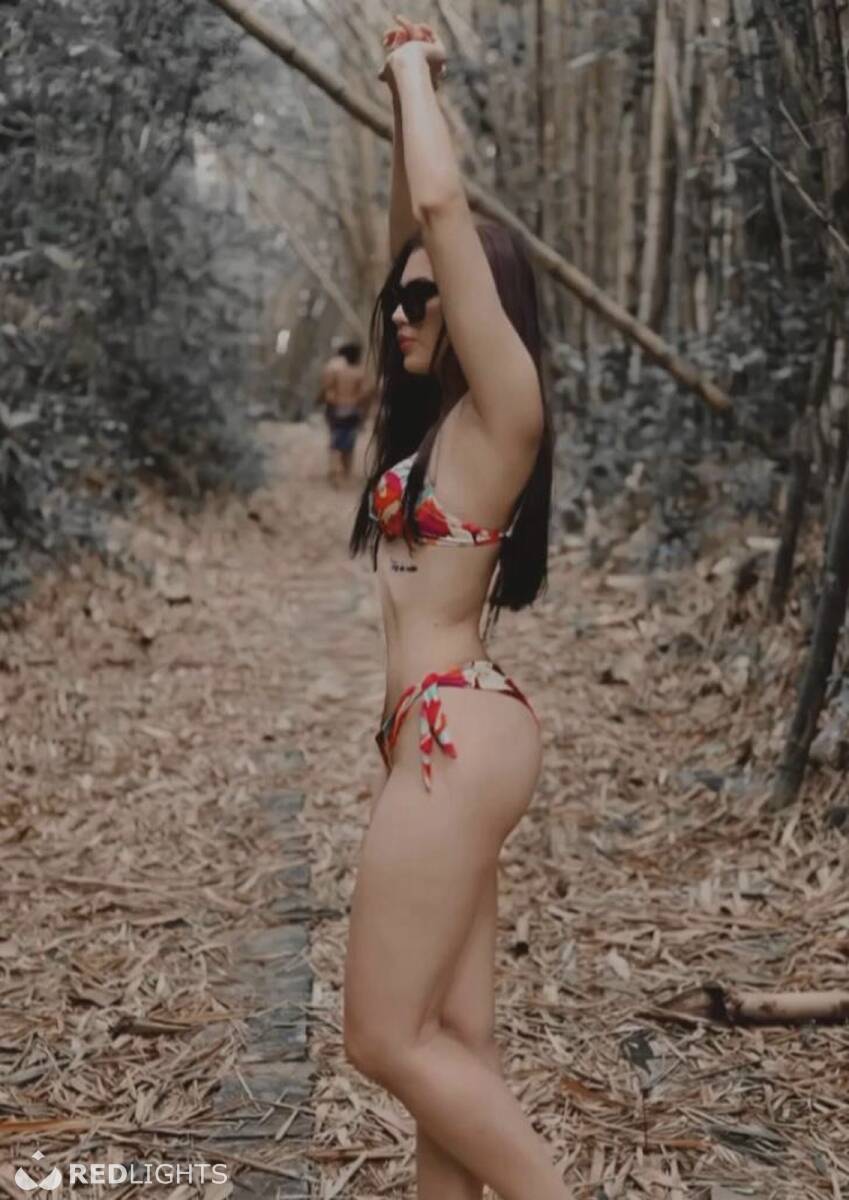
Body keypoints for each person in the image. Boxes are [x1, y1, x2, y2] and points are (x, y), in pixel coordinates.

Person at [344, 16, 566, 1200]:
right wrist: (403, 105)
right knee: (452, 1047)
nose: (403, 313)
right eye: (400, 301)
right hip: (432, 735)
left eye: (428, 302)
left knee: (382, 1039)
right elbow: (411, 233)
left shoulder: (502, 414)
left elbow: (439, 210)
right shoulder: (437, 428)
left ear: (483, 308)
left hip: (453, 731)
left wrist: (411, 69)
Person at [317, 340, 372, 485]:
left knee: (335, 441)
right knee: (349, 443)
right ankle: (345, 471)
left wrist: (324, 400)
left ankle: (335, 470)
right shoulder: (361, 372)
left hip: (336, 410)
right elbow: (366, 393)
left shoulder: (334, 370)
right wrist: (361, 408)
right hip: (353, 412)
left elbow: (327, 390)